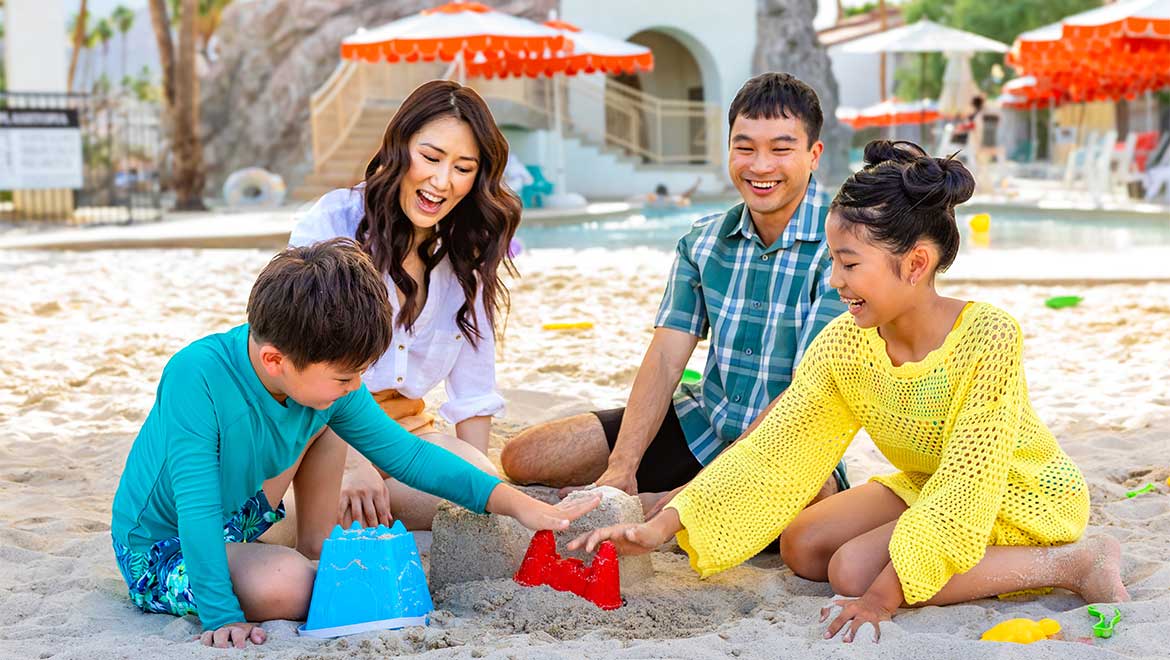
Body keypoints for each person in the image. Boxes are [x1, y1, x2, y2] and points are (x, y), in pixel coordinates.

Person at [568, 140, 1129, 644]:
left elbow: (967, 484)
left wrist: (881, 600)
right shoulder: (845, 345)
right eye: (833, 261)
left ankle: (1072, 563)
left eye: (849, 263)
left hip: (1016, 492)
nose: (835, 280)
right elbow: (776, 451)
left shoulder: (988, 336)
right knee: (803, 545)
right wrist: (663, 526)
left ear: (914, 264)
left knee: (854, 573)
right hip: (926, 483)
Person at [110, 239, 598, 649]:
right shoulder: (194, 375)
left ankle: (315, 546)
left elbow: (407, 455)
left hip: (238, 516)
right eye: (347, 376)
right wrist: (219, 617)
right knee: (291, 585)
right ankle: (293, 567)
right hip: (162, 547)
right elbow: (195, 507)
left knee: (324, 420)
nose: (357, 385)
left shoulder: (322, 380)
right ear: (275, 359)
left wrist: (512, 502)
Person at [501, 72, 848, 513]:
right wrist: (621, 468)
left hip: (787, 444)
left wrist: (669, 501)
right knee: (522, 457)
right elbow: (666, 357)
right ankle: (677, 499)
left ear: (814, 154)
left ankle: (673, 505)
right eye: (745, 147)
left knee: (812, 506)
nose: (760, 166)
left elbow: (806, 394)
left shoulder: (844, 248)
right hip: (702, 421)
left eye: (781, 149)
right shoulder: (702, 242)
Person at [284, 80, 521, 533]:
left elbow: (473, 394)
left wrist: (476, 478)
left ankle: (363, 506)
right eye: (431, 158)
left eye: (463, 168)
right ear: (399, 147)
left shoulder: (467, 253)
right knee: (282, 526)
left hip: (403, 435)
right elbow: (298, 361)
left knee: (477, 491)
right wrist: (352, 463)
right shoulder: (334, 222)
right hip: (316, 429)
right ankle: (336, 501)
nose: (441, 181)